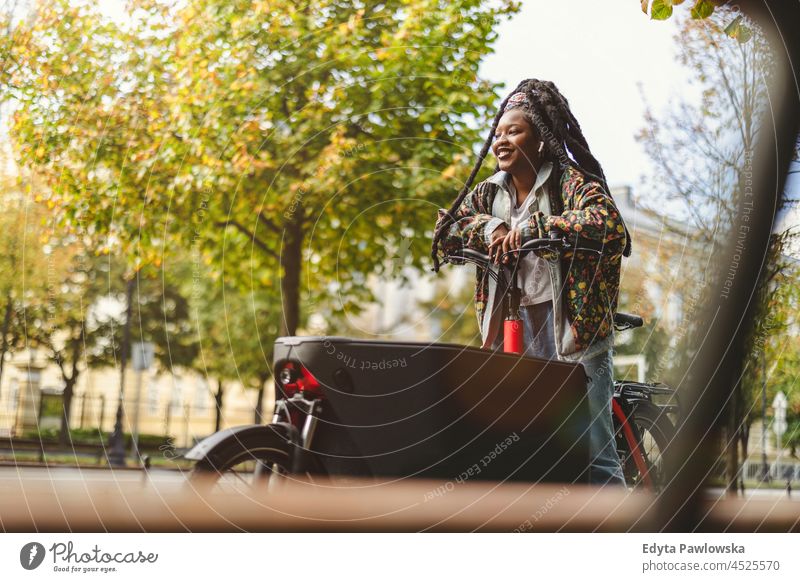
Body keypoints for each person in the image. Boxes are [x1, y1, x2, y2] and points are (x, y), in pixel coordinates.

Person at [431, 78, 632, 486]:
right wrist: (494, 228)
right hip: (513, 330)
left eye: (514, 131)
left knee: (594, 454)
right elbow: (448, 231)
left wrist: (537, 228)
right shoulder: (489, 193)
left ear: (540, 139)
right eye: (498, 133)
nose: (501, 141)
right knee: (520, 450)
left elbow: (610, 226)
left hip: (574, 334)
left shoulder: (570, 183)